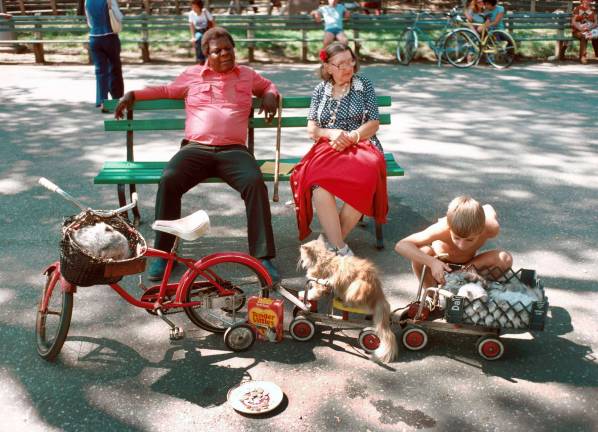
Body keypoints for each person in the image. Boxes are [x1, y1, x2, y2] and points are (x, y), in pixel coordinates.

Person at [114, 27, 281, 282]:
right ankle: (163, 252)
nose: (225, 54)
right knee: (169, 179)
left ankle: (263, 256)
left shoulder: (246, 75)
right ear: (206, 55)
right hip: (196, 148)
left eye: (228, 48)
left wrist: (270, 94)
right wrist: (132, 95)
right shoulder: (192, 76)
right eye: (218, 51)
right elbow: (164, 90)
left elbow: (268, 85)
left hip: (234, 151)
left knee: (255, 183)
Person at [290, 42, 388, 257]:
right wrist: (332, 134)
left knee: (367, 177)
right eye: (340, 63)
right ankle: (340, 249)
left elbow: (373, 123)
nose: (347, 67)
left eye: (350, 61)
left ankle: (330, 248)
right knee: (319, 183)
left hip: (361, 143)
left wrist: (352, 136)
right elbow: (312, 129)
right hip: (329, 146)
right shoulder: (320, 90)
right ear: (328, 68)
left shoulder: (364, 85)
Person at [395, 196, 513, 288]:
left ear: (481, 229)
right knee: (423, 251)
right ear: (450, 228)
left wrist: (463, 271)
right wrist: (432, 263)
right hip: (441, 265)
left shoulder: (491, 227)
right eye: (456, 238)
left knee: (505, 258)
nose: (461, 245)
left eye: (469, 239)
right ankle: (430, 296)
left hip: (470, 265)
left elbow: (488, 207)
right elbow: (401, 245)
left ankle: (478, 288)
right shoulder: (442, 228)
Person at [85, 0, 124, 113]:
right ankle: (117, 100)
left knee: (100, 71)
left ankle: (103, 102)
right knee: (115, 69)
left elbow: (90, 23)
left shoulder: (87, 1)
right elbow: (119, 17)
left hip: (94, 38)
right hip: (110, 37)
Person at [188, 0, 215, 65]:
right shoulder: (191, 13)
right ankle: (200, 59)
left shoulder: (205, 12)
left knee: (206, 40)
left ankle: (209, 58)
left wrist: (214, 32)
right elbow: (191, 25)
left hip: (207, 30)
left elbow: (212, 22)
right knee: (199, 38)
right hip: (198, 31)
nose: (194, 9)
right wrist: (193, 37)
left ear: (200, 7)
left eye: (195, 7)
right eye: (192, 7)